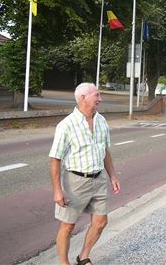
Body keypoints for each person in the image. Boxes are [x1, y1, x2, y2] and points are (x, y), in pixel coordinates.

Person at [49, 83, 121, 265]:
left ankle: (83, 257)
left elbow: (105, 151)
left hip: (99, 179)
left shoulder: (101, 121)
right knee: (68, 225)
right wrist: (57, 190)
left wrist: (112, 175)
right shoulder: (66, 125)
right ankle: (64, 263)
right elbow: (55, 159)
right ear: (83, 98)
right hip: (75, 181)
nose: (100, 99)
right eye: (97, 95)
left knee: (101, 221)